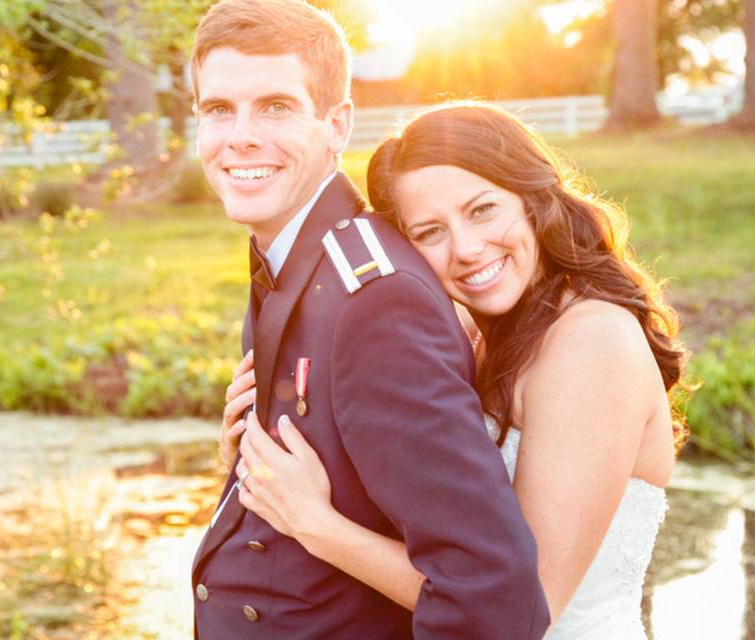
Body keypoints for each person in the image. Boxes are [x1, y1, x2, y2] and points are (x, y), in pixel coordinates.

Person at [223, 102, 691, 639]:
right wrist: (250, 448)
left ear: (535, 198)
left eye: (483, 210)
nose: (467, 249)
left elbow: (528, 603)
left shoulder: (591, 340)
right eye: (429, 232)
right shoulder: (480, 338)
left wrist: (319, 526)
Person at [190, 1, 550, 639]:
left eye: (275, 106)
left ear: (337, 125)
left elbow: (492, 599)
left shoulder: (374, 300)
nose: (240, 135)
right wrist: (241, 464)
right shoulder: (291, 261)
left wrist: (313, 522)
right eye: (219, 109)